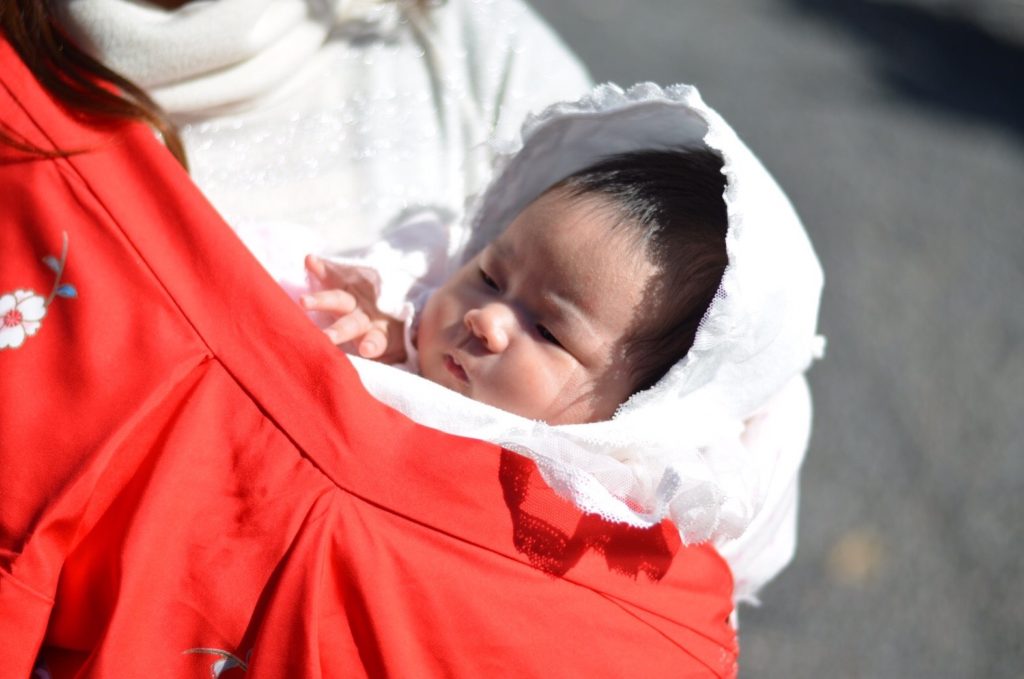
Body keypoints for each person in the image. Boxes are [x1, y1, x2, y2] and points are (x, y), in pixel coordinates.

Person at [303, 147, 729, 426]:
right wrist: (384, 323)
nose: (487, 318)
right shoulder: (402, 323)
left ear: (638, 405)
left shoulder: (604, 496)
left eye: (548, 332)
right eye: (489, 277)